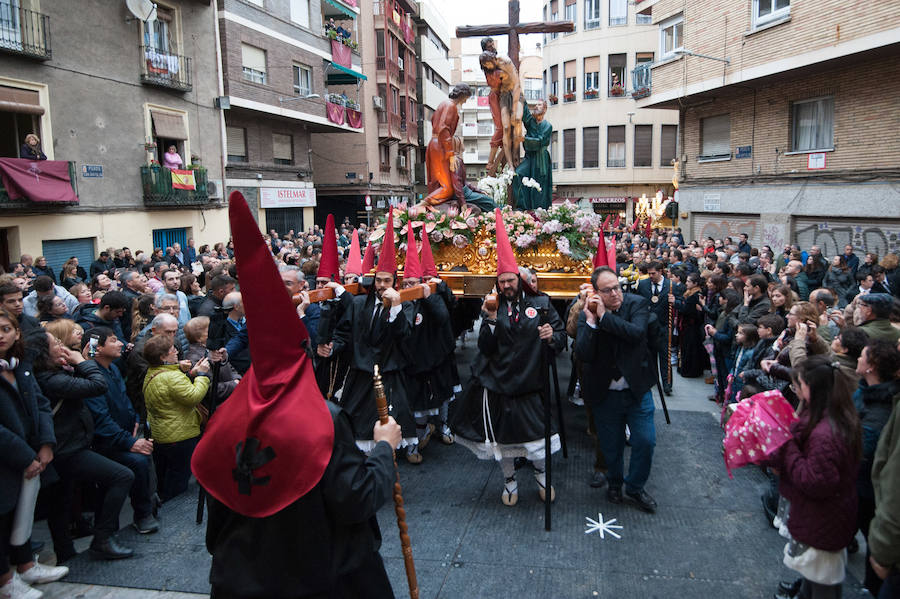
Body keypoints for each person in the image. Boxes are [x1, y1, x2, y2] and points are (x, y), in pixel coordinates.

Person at [192, 192, 401, 599]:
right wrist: (382, 450)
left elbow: (216, 516)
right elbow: (356, 500)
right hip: (317, 576)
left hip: (239, 579)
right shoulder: (321, 419)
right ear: (301, 355)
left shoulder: (225, 418)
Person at [450, 209, 564, 505]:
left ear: (520, 280)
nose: (506, 286)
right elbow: (485, 348)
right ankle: (510, 481)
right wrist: (487, 319)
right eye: (501, 282)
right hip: (500, 384)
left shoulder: (541, 303)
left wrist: (552, 336)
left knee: (537, 438)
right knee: (503, 440)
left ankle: (541, 476)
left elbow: (561, 338)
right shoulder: (492, 307)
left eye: (510, 280)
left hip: (531, 383)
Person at [32, 331, 136, 561]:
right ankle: (103, 539)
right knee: (122, 476)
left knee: (61, 502)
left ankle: (66, 553)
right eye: (56, 343)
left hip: (68, 445)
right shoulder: (51, 379)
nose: (62, 346)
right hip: (67, 449)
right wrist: (81, 362)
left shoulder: (56, 372)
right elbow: (98, 385)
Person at [766, 356, 861, 599]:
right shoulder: (824, 414)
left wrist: (787, 445)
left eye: (798, 384)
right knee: (814, 578)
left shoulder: (826, 433)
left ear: (813, 387)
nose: (794, 388)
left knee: (823, 583)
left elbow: (815, 482)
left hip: (824, 517)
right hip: (820, 516)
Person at [329, 212, 418, 453]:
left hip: (389, 373)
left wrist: (395, 308)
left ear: (394, 283)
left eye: (386, 281)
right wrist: (332, 347)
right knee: (356, 429)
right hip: (360, 374)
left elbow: (405, 336)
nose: (381, 286)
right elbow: (344, 332)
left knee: (390, 429)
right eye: (378, 280)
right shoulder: (359, 304)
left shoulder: (405, 307)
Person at [0, 307, 70, 599]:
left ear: (16, 332)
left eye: (5, 329)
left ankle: (26, 565)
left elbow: (40, 404)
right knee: (3, 518)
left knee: (23, 513)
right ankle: (5, 580)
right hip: (9, 458)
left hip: (33, 452)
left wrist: (45, 444)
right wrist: (25, 456)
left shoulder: (20, 365)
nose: (0, 335)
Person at [575, 265, 658, 513]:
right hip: (605, 393)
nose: (616, 293)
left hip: (636, 390)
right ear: (597, 293)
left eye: (617, 287)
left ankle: (634, 487)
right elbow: (583, 353)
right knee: (611, 446)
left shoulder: (637, 305)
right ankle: (614, 482)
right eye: (608, 290)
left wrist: (605, 318)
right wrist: (591, 322)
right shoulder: (586, 314)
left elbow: (635, 333)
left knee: (646, 440)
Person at [82, 326, 161, 537]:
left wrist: (134, 419)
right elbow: (100, 419)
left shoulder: (114, 368)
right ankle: (140, 514)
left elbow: (125, 399)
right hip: (105, 442)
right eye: (114, 340)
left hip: (123, 433)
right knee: (137, 462)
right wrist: (129, 442)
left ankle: (145, 510)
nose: (121, 344)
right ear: (96, 349)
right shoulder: (91, 377)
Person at [852, 340, 900, 595]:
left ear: (871, 366)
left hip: (868, 489)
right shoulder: (864, 391)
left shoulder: (882, 410)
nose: (858, 359)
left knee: (871, 537)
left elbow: (861, 451)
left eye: (862, 356)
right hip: (860, 485)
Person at [142, 334, 210, 502]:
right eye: (172, 349)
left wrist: (191, 373)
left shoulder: (153, 372)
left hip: (163, 434)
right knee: (178, 480)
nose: (177, 351)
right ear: (163, 357)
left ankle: (161, 504)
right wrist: (202, 376)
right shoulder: (171, 377)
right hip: (180, 436)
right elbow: (193, 396)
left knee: (164, 475)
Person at [423, 83, 472, 206]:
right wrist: (451, 155)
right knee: (447, 188)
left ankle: (430, 207)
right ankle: (421, 205)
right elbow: (444, 129)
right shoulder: (451, 106)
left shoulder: (443, 104)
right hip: (440, 146)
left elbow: (436, 123)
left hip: (434, 144)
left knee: (435, 183)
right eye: (466, 98)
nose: (465, 101)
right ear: (463, 95)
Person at [636, 261, 674, 393]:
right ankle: (653, 380)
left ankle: (667, 383)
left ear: (660, 272)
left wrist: (675, 302)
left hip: (664, 326)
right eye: (649, 273)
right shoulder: (643, 284)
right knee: (650, 356)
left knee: (665, 356)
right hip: (648, 326)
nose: (650, 276)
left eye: (653, 273)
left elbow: (682, 304)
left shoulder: (671, 285)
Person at [512, 99, 553, 210]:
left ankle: (539, 211)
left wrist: (524, 139)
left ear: (544, 109)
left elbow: (540, 141)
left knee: (539, 187)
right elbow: (525, 114)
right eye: (535, 105)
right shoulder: (531, 122)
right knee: (518, 174)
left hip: (541, 159)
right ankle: (521, 206)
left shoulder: (547, 126)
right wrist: (521, 97)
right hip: (530, 158)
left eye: (539, 105)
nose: (536, 106)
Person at [674, 272, 709, 378]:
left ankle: (691, 370)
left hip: (691, 326)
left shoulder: (696, 295)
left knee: (691, 348)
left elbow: (687, 309)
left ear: (695, 283)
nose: (687, 283)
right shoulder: (689, 292)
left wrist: (676, 302)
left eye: (689, 281)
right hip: (687, 325)